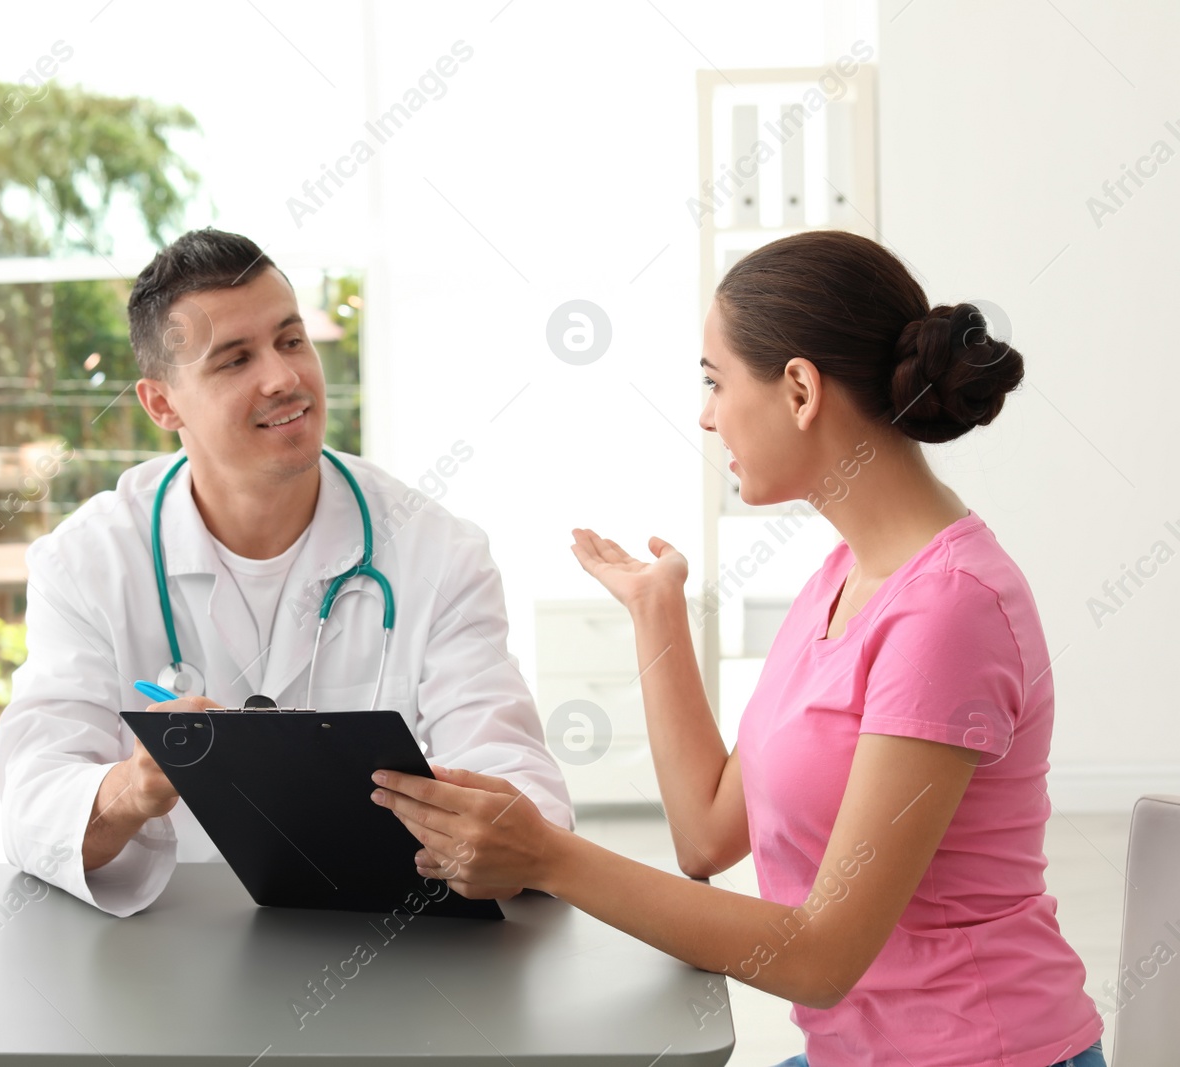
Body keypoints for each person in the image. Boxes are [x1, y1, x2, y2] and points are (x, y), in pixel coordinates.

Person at [369, 230, 1104, 1067]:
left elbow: (820, 956)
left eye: (715, 381)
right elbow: (708, 836)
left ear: (799, 389)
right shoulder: (843, 576)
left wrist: (546, 854)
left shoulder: (949, 612)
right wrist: (657, 616)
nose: (706, 412)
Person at [0, 227, 572, 917]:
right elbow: (30, 803)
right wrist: (136, 787)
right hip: (175, 954)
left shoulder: (437, 552)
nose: (284, 377)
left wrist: (454, 811)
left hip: (396, 942)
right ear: (161, 403)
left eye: (291, 340)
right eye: (235, 360)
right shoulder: (88, 561)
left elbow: (528, 803)